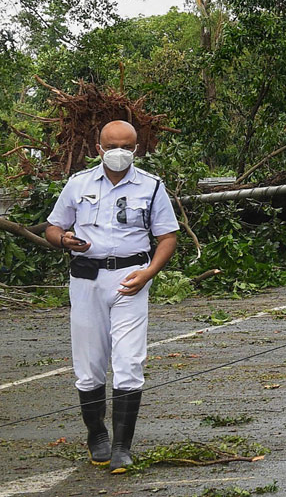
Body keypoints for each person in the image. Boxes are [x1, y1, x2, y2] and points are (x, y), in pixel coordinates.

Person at [45, 120, 180, 473]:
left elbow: (167, 236)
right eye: (111, 146)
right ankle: (97, 437)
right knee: (89, 365)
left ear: (137, 149)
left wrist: (149, 272)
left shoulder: (151, 187)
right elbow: (52, 227)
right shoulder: (78, 184)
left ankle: (122, 447)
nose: (118, 153)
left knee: (128, 361)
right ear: (99, 147)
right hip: (86, 278)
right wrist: (64, 240)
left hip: (130, 278)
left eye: (126, 146)